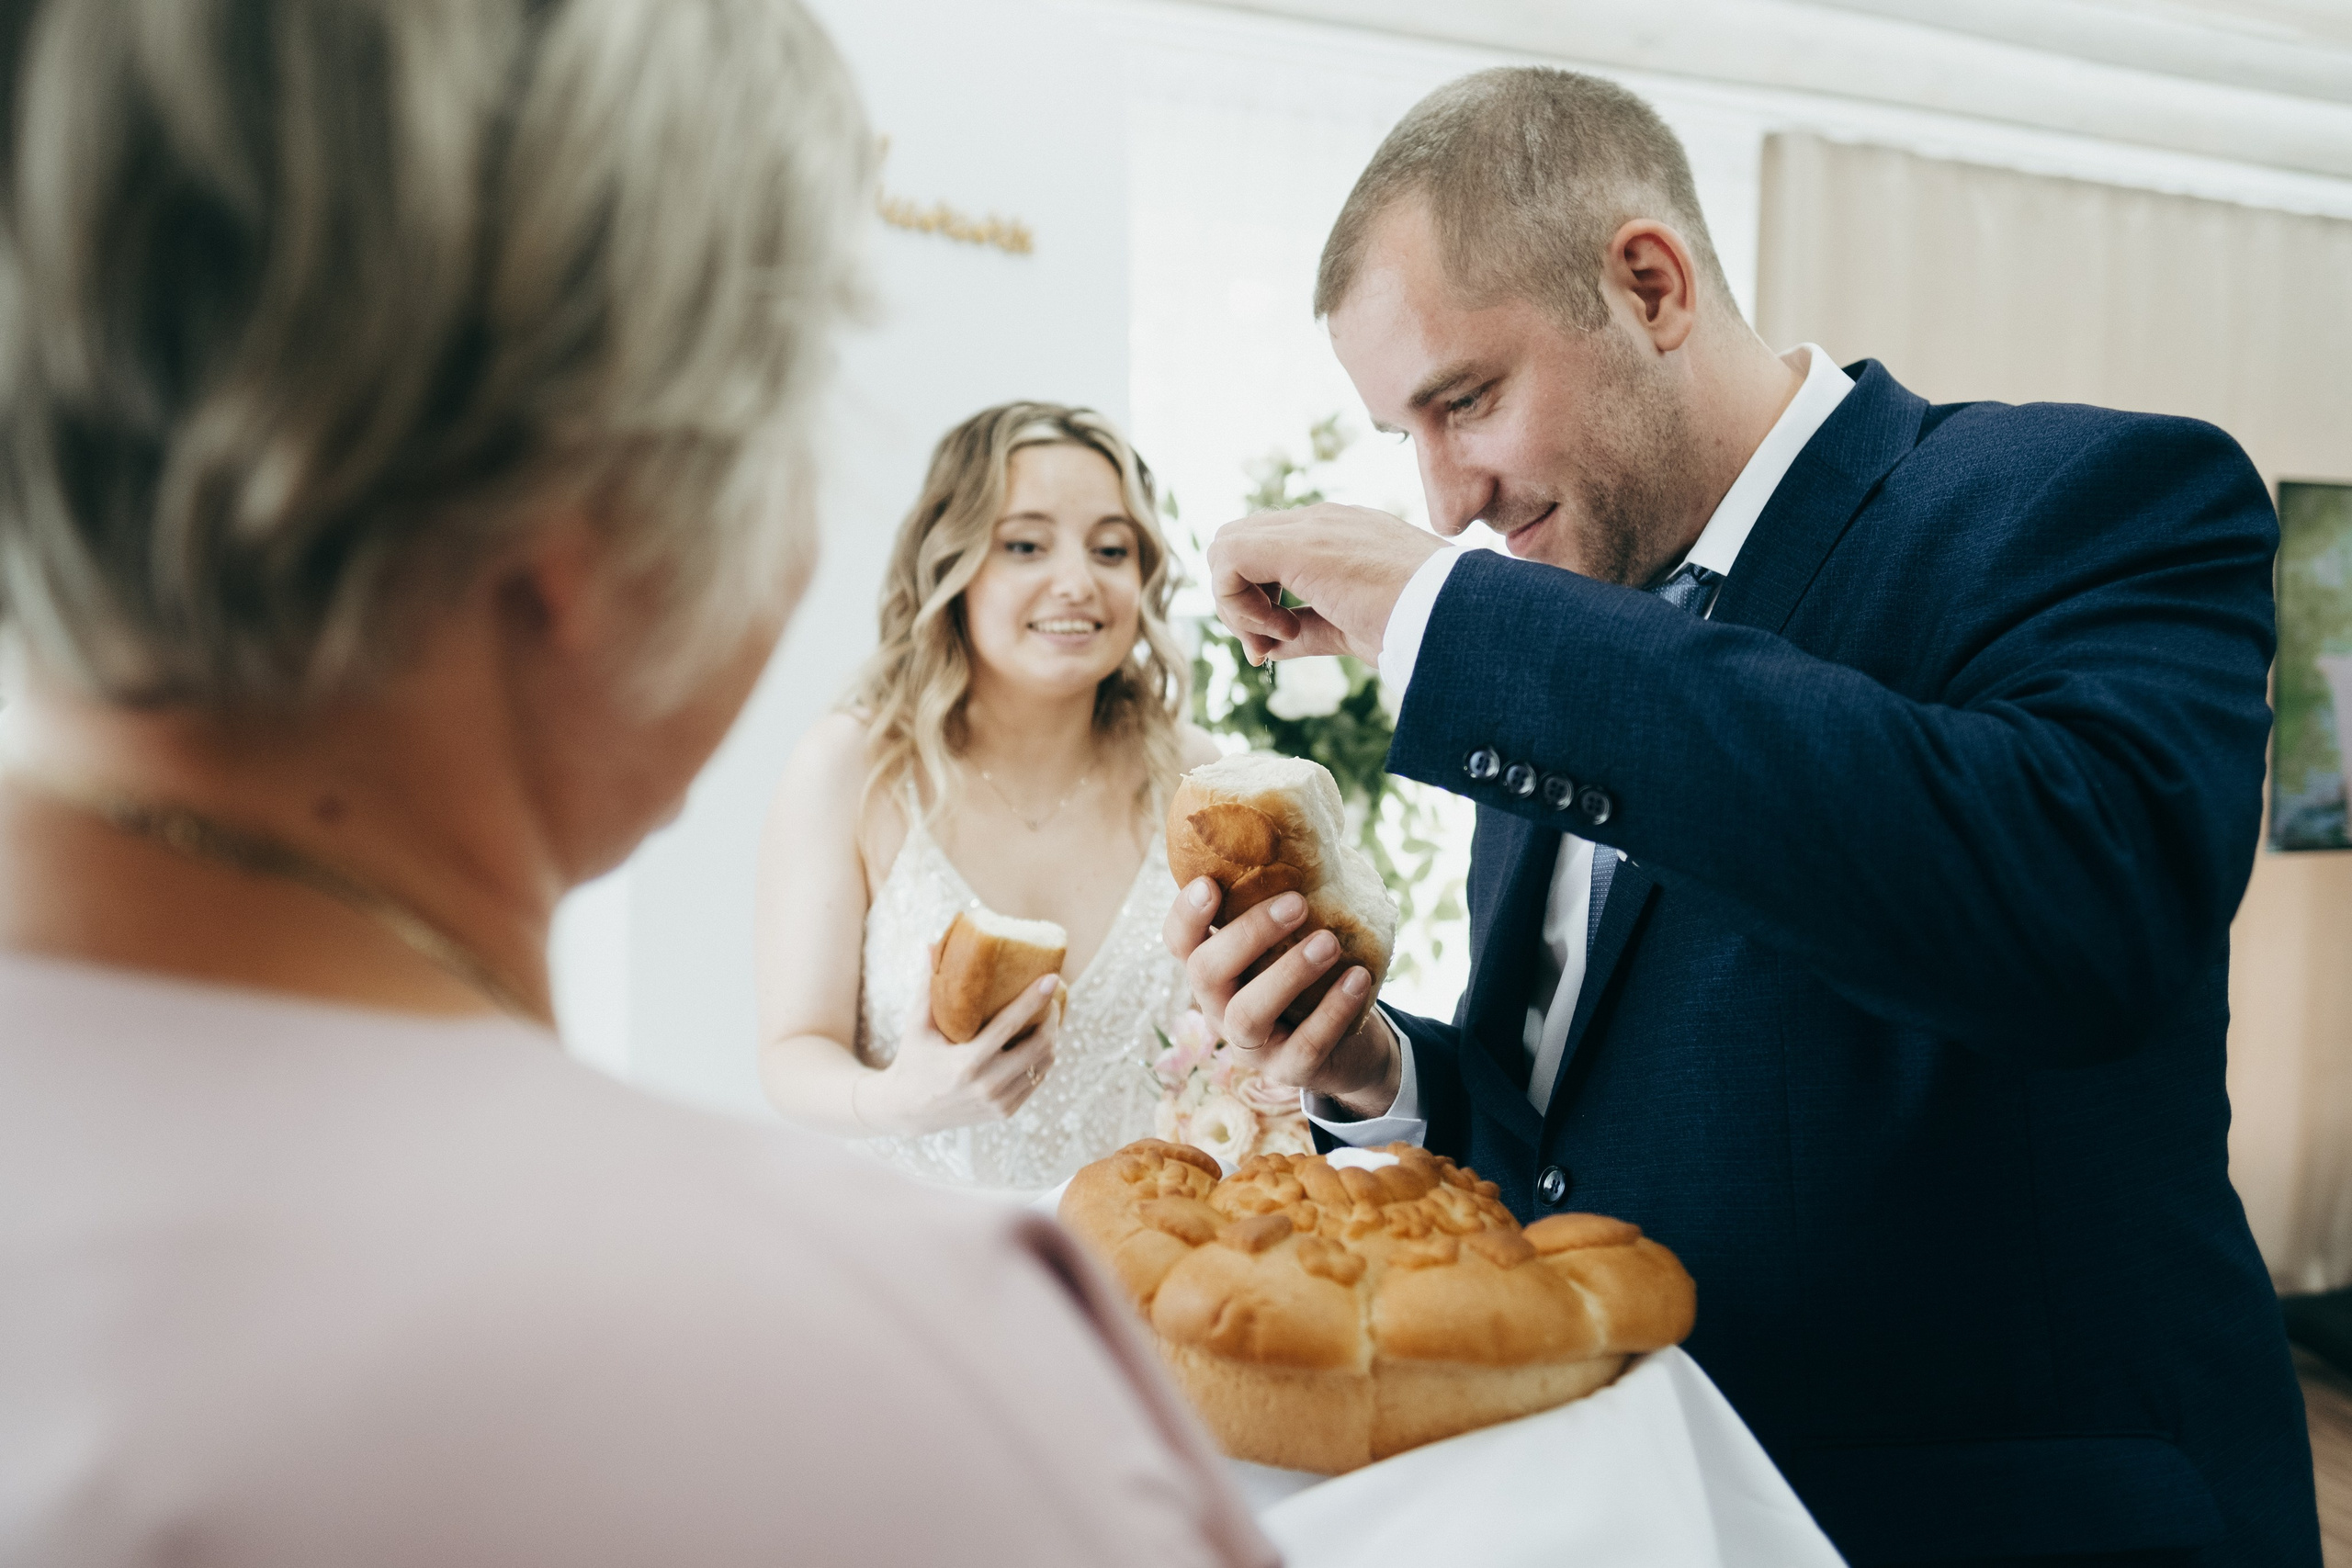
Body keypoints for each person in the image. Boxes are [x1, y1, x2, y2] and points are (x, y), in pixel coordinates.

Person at [0, 5, 1272, 1565]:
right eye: (793, 411)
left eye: (1111, 545)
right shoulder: (928, 1405)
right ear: (595, 509)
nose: (1072, 581)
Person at [1163, 65, 2317, 1568]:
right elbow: (1587, 1149)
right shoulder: (1567, 638)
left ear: (1650, 283)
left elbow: (2077, 915)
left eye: (1468, 399)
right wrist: (1384, 1073)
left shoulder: (2094, 497)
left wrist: (1454, 618)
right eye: (1406, 435)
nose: (1446, 499)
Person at [757, 402, 1221, 1194]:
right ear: (952, 563)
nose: (1077, 581)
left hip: (1136, 1277)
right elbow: (791, 1051)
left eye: (1111, 548)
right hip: (910, 1268)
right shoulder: (854, 766)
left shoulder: (1193, 773)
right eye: (1025, 545)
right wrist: (895, 1100)